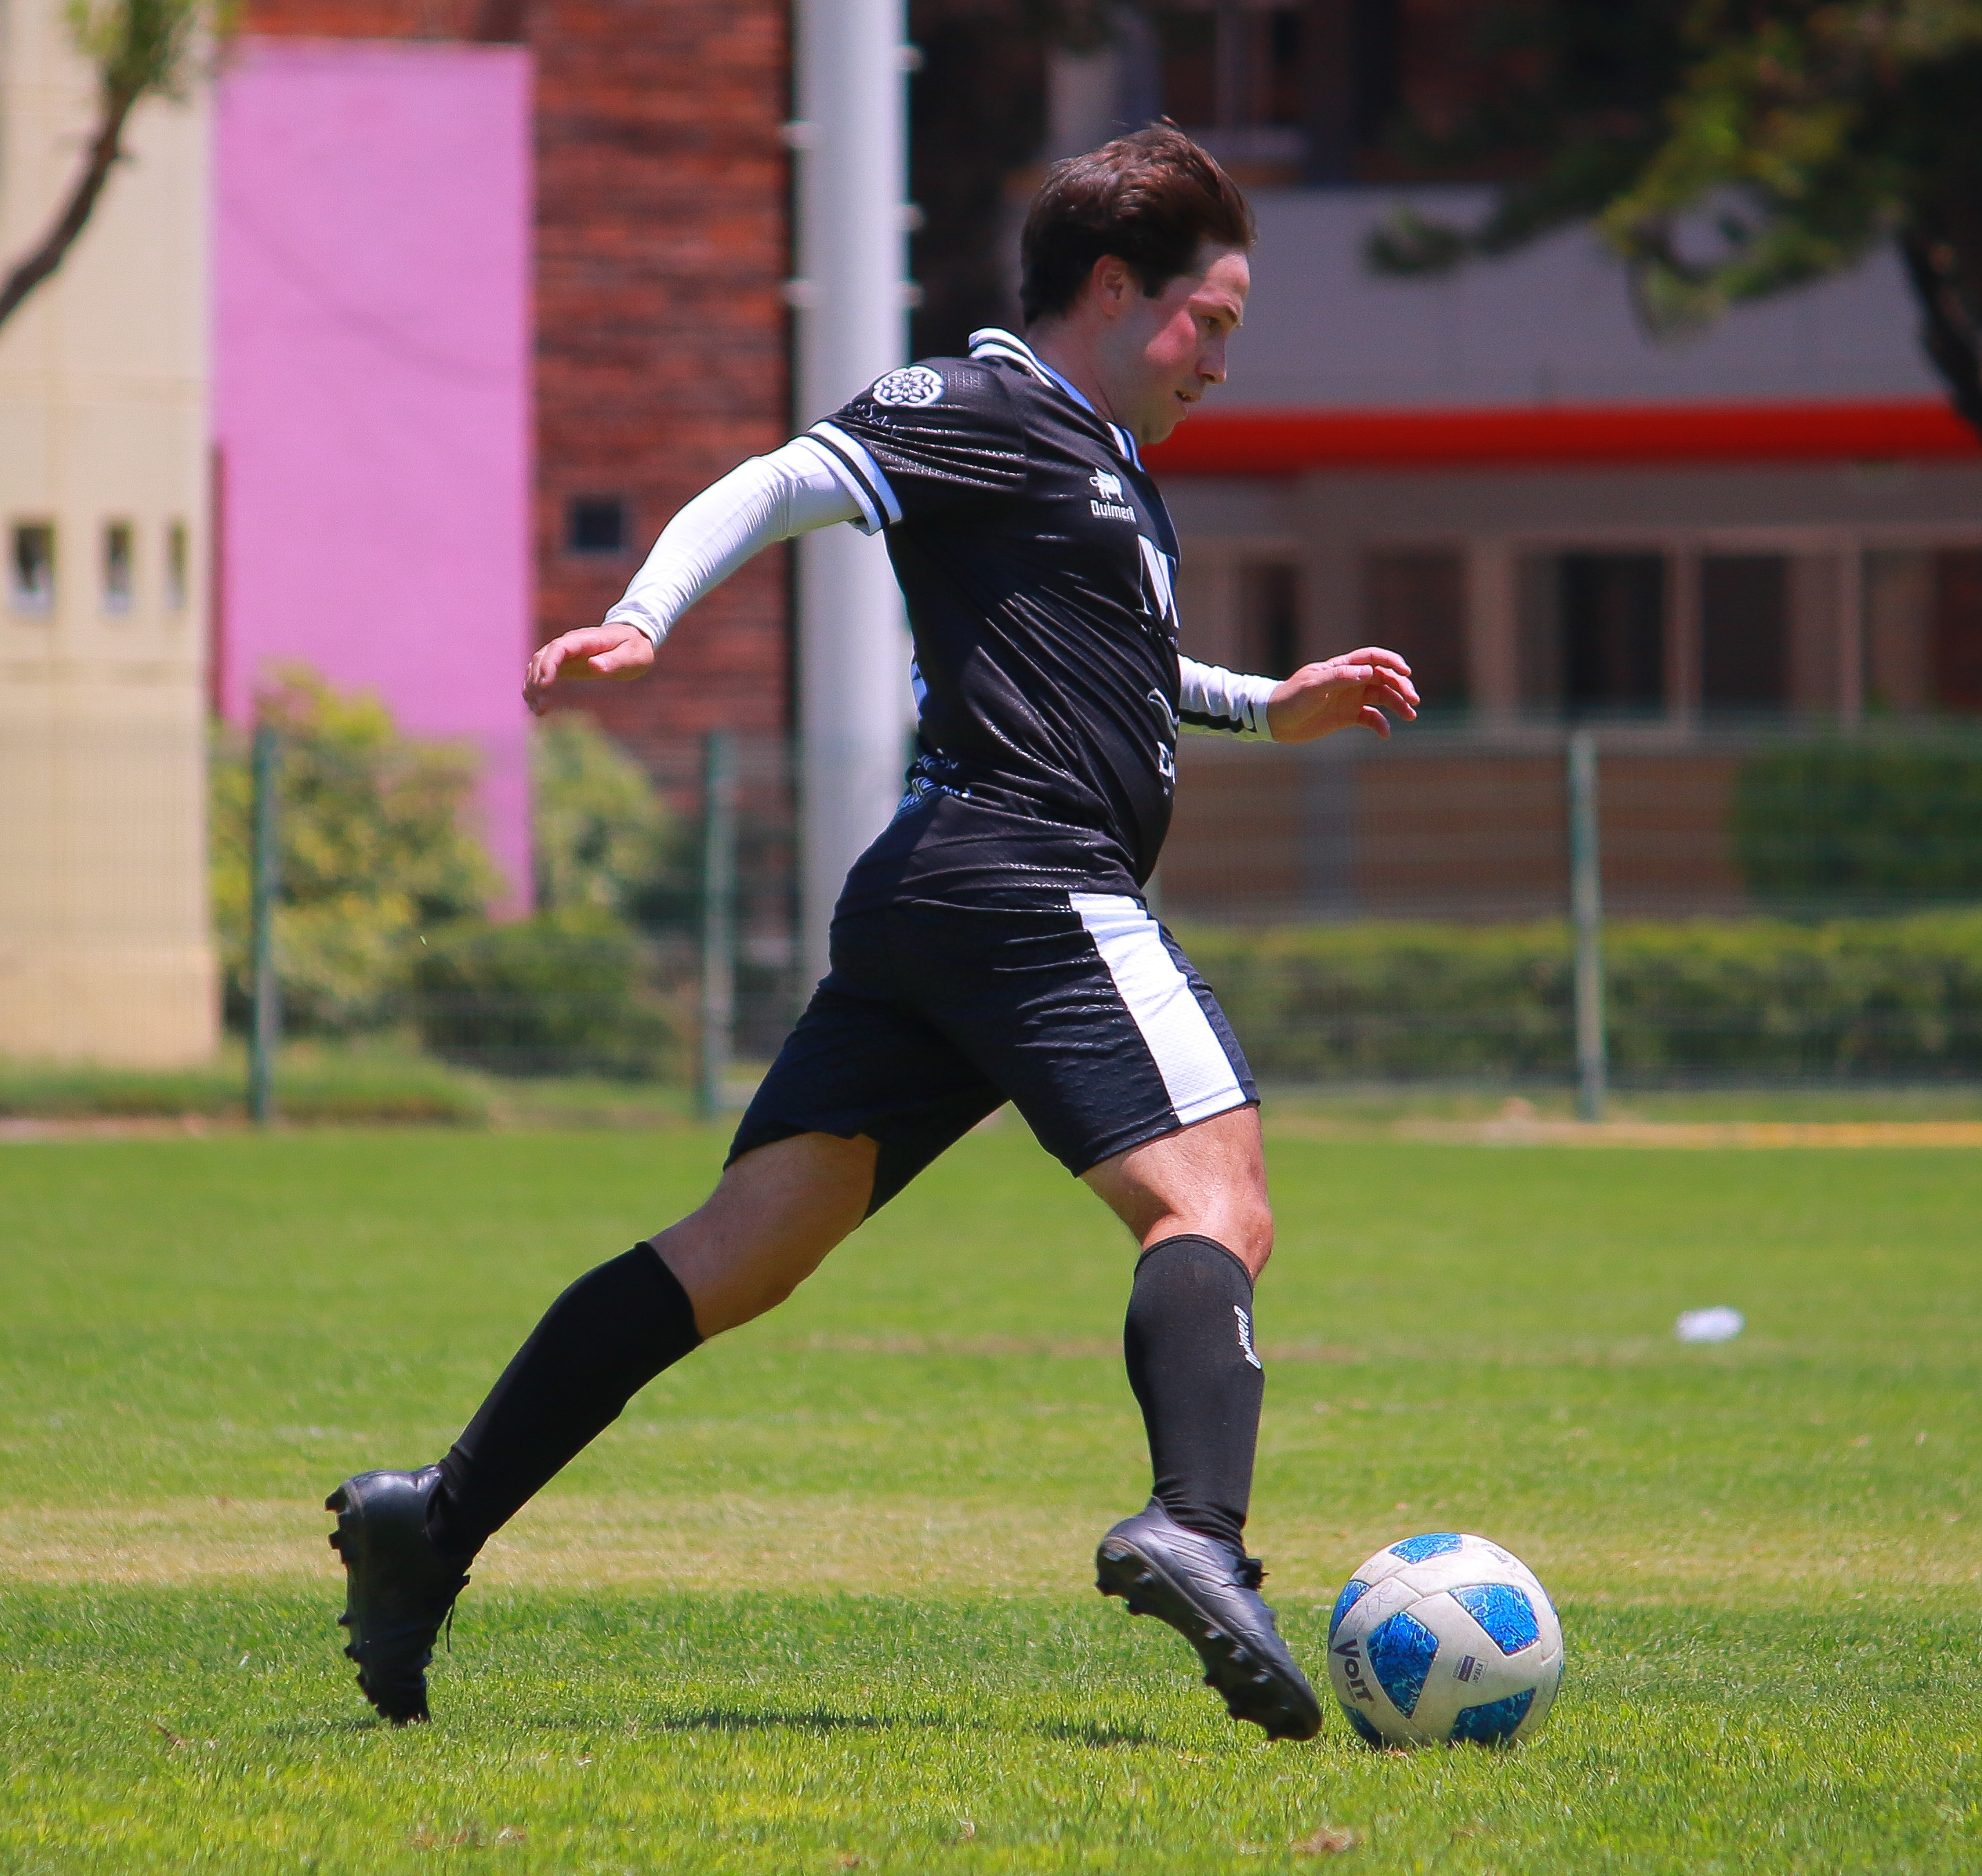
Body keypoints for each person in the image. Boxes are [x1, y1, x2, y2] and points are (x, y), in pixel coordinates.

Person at [324, 125, 1419, 1739]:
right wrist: (639, 617)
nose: (1220, 364)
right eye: (1211, 322)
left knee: (743, 1252)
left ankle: (435, 1517)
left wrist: (1271, 704)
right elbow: (788, 477)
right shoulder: (984, 402)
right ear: (1114, 289)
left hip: (937, 897)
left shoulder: (1100, 464)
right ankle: (1195, 1525)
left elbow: (1119, 668)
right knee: (1216, 1199)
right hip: (1026, 874)